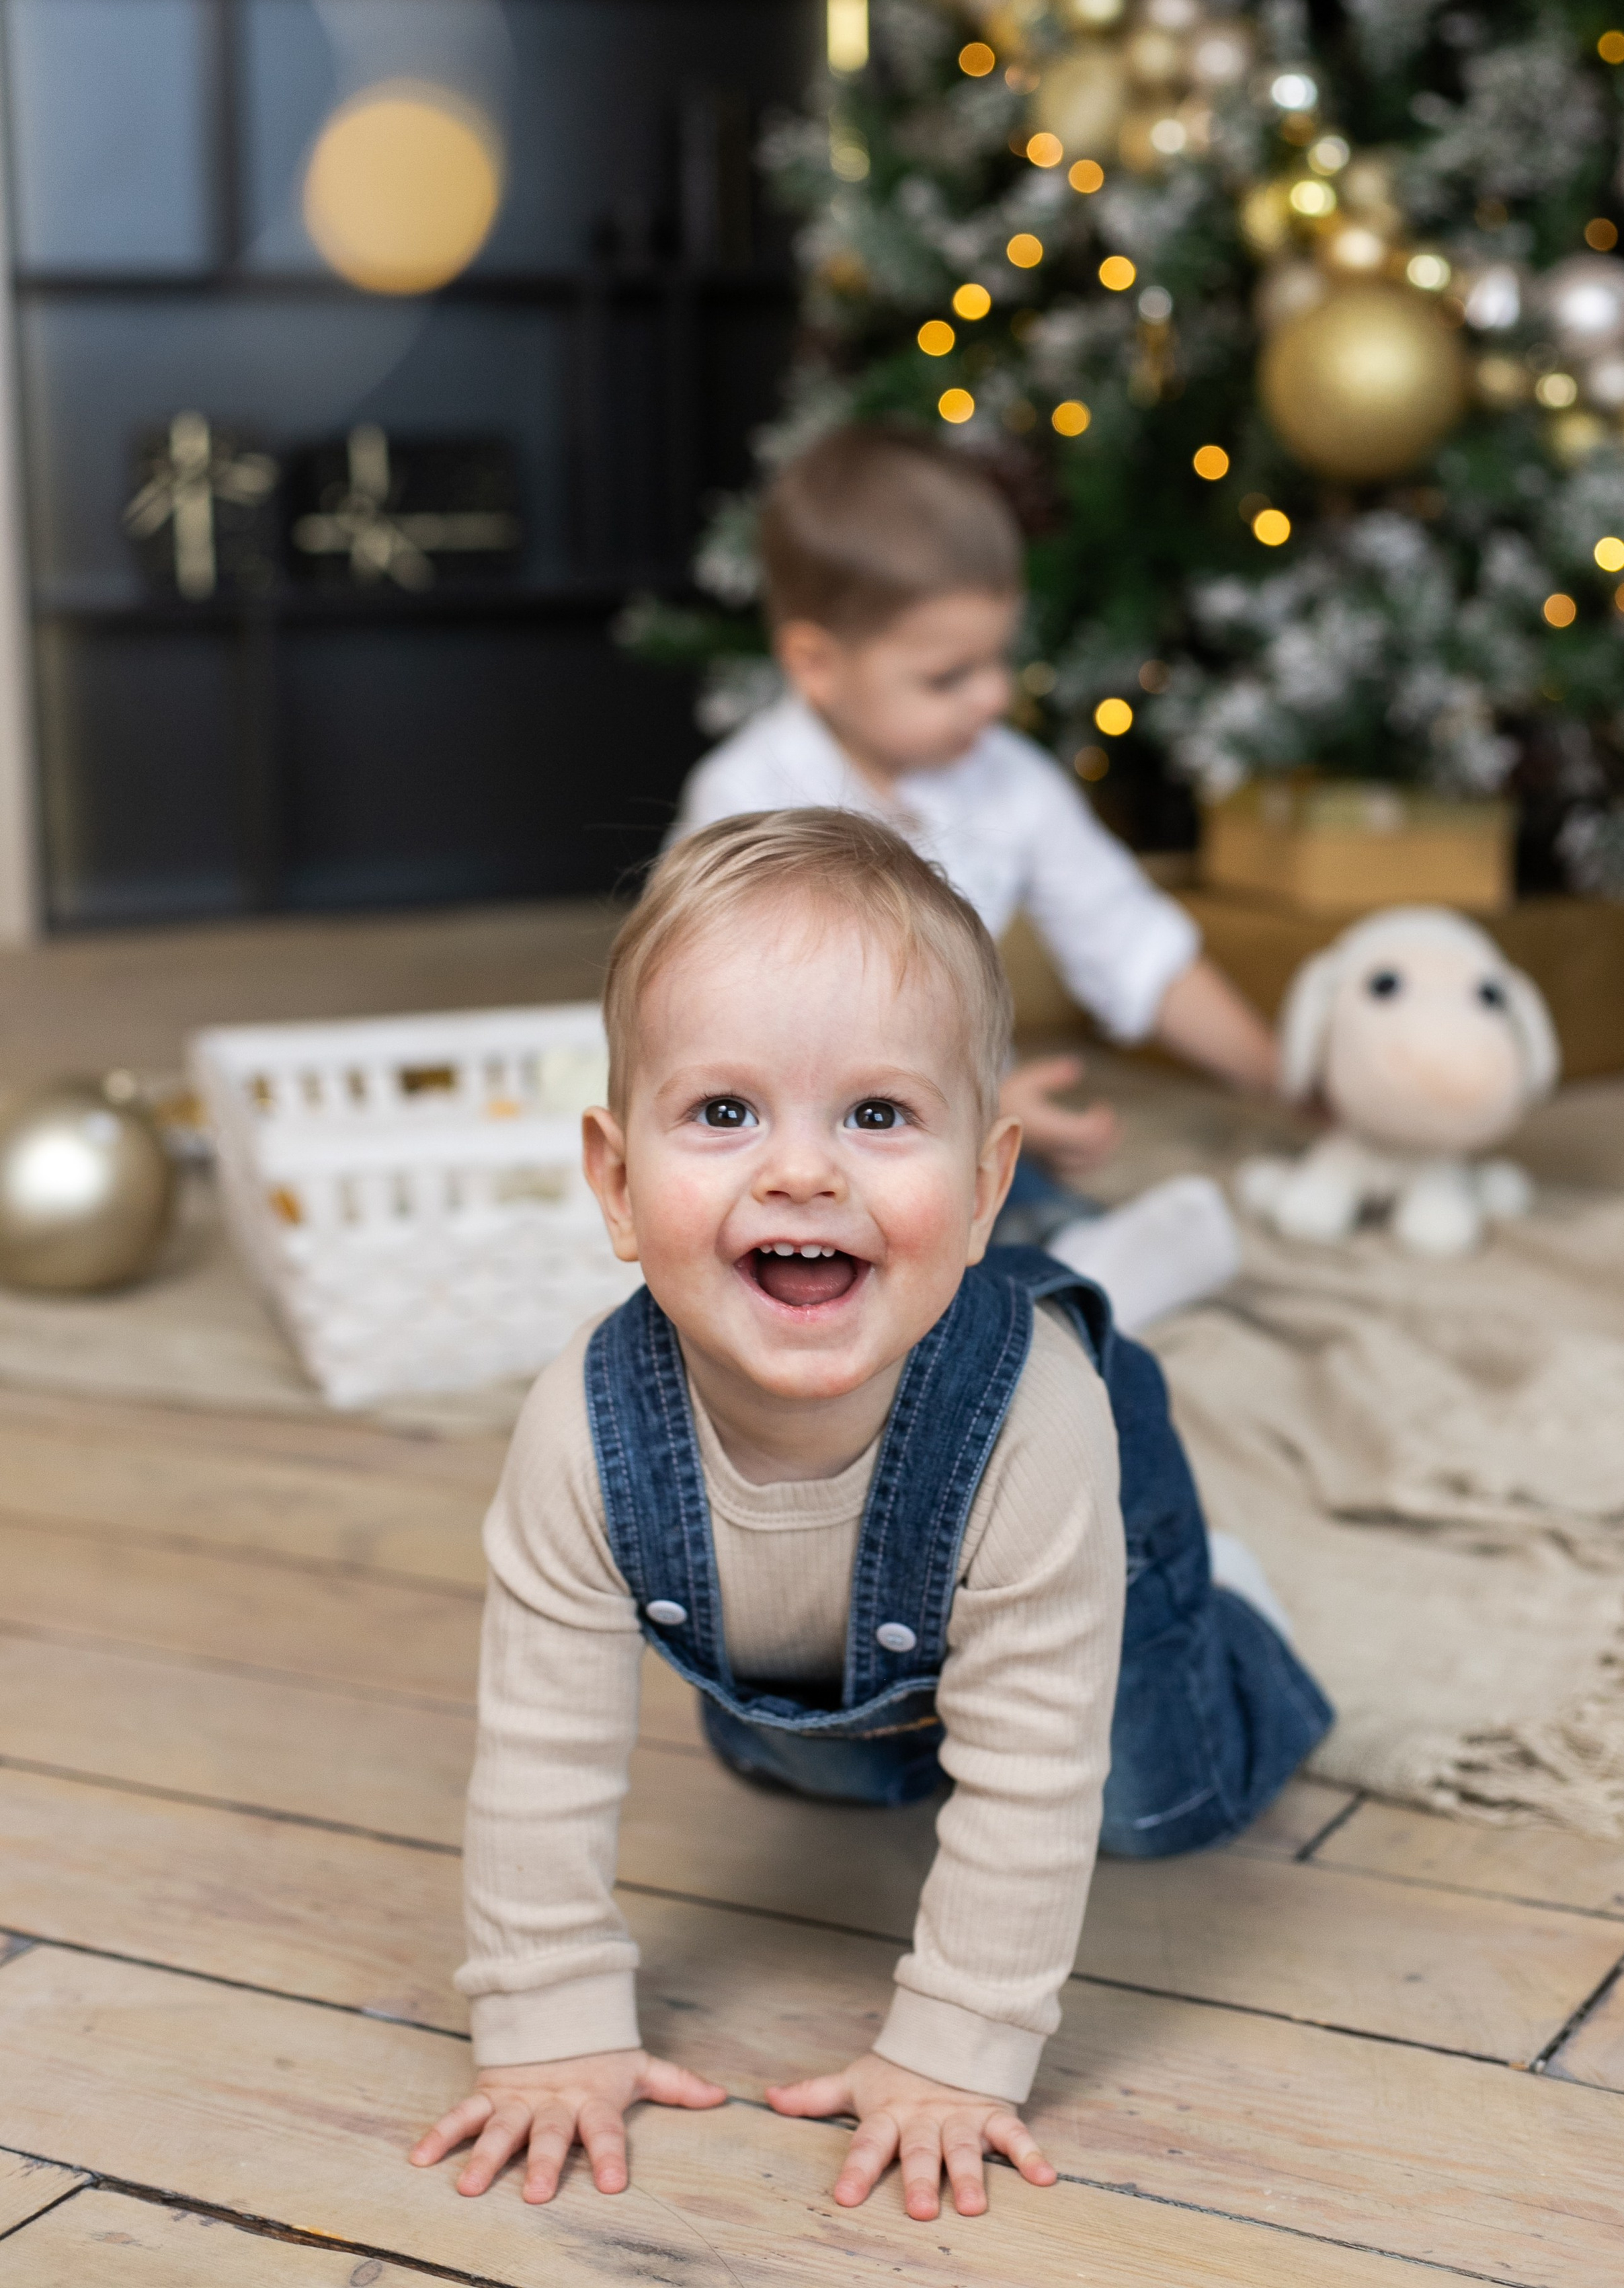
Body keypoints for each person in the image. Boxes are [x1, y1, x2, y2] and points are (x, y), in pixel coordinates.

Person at [411, 810, 1331, 2221]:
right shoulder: (582, 1431)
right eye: (723, 1113)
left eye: (877, 1115)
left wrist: (957, 2055)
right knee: (812, 1772)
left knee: (1147, 1809)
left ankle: (1225, 1607)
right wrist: (548, 2028)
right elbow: (539, 1754)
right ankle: (1109, 1258)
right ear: (612, 1181)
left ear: (976, 1191)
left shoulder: (1030, 1422)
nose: (800, 1173)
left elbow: (1027, 1779)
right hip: (844, 1641)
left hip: (1087, 1536)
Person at [669, 422, 1277, 1327]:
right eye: (948, 675)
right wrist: (962, 1112)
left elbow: (1129, 939)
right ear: (815, 666)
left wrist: (1273, 1071)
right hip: (791, 1144)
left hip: (958, 1138)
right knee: (829, 1246)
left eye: (998, 660)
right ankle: (1032, 1289)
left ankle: (1064, 1266)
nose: (992, 697)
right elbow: (712, 1027)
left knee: (1010, 1196)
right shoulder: (746, 797)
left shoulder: (1007, 781)